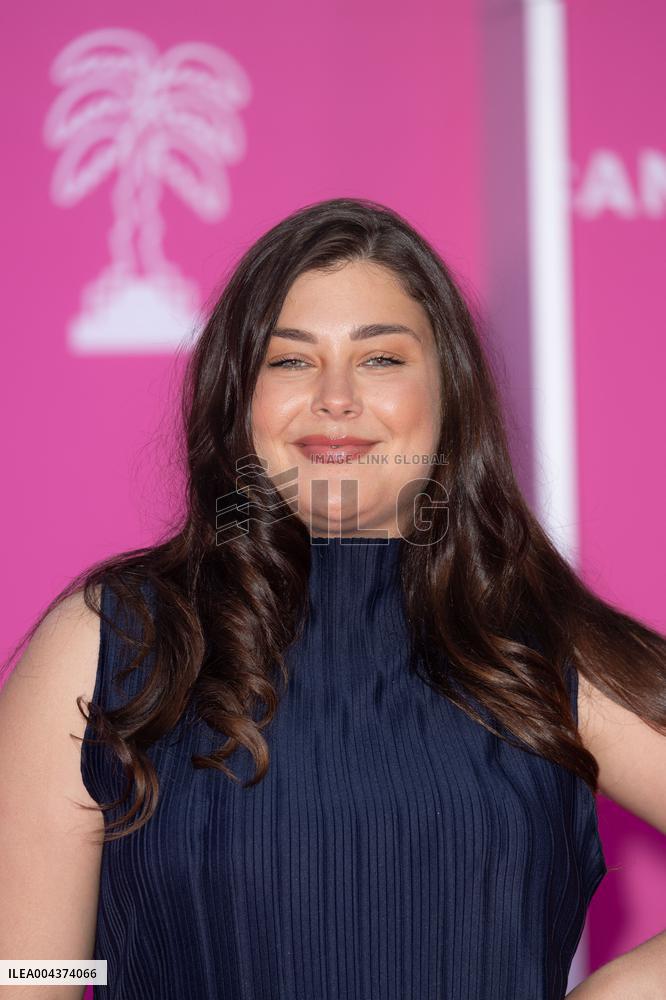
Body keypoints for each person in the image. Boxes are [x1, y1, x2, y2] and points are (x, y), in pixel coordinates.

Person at [1, 197, 665, 1000]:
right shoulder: (115, 639)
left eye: (381, 359)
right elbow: (29, 973)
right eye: (290, 361)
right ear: (237, 399)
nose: (336, 397)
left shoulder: (543, 645)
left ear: (449, 394)